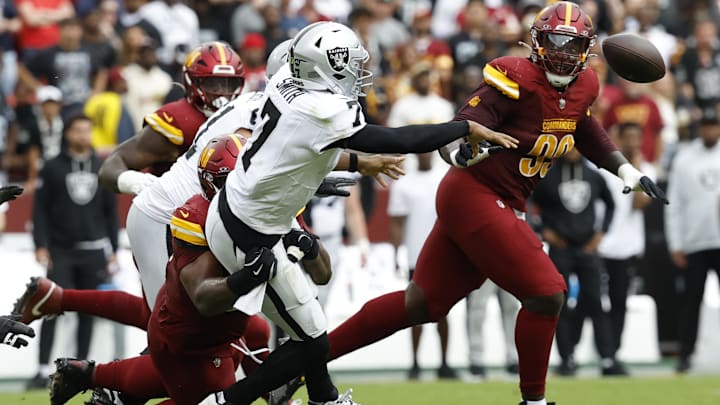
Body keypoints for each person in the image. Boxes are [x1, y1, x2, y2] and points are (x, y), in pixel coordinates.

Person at [323, 4, 665, 404]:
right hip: (475, 192)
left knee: (421, 303)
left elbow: (584, 128)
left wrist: (626, 171)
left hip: (498, 200)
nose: (562, 52)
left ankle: (304, 361)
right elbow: (460, 128)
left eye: (572, 45)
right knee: (548, 291)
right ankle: (533, 400)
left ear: (587, 50)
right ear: (536, 41)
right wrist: (459, 152)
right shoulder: (515, 75)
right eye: (555, 40)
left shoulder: (585, 85)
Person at [206, 21, 517, 405]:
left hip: (243, 211)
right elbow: (395, 139)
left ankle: (323, 398)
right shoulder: (321, 107)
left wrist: (356, 164)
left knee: (310, 332)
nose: (357, 71)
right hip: (251, 230)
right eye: (349, 62)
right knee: (314, 342)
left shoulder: (288, 79)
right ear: (326, 65)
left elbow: (299, 147)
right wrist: (462, 127)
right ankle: (227, 402)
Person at [47, 135, 280, 405]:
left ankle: (94, 376)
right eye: (239, 181)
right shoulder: (197, 217)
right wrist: (246, 278)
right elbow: (203, 297)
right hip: (188, 330)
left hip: (206, 325)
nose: (248, 188)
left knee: (255, 335)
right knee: (215, 393)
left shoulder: (249, 207)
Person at [27, 114, 118, 390]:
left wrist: (112, 248)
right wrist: (41, 245)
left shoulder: (102, 166)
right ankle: (42, 370)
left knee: (88, 311)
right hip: (61, 251)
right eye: (78, 130)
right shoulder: (52, 167)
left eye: (87, 131)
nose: (83, 136)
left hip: (93, 251)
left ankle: (79, 367)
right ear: (68, 134)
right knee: (52, 308)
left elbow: (110, 211)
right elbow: (39, 210)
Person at [532, 147, 626, 377]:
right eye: (569, 145)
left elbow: (612, 205)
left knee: (596, 303)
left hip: (587, 249)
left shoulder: (594, 175)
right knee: (559, 304)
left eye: (577, 145)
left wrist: (600, 234)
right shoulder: (548, 176)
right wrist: (544, 231)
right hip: (561, 248)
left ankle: (607, 358)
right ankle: (567, 359)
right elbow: (529, 203)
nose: (573, 150)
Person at [387, 151, 457, 380]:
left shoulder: (445, 176)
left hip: (443, 255)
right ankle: (415, 363)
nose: (426, 155)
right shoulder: (404, 183)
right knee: (415, 310)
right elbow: (397, 221)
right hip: (415, 256)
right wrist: (398, 252)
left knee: (443, 311)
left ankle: (444, 363)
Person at [665, 109, 720, 373]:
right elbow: (673, 204)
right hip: (694, 241)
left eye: (714, 126)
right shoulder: (684, 159)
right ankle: (685, 354)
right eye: (706, 126)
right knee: (690, 301)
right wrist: (676, 243)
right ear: (699, 129)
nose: (710, 131)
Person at [597, 122, 655, 364]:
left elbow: (639, 204)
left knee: (620, 301)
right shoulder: (602, 168)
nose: (632, 143)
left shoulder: (647, 169)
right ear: (617, 138)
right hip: (601, 245)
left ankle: (613, 353)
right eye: (627, 137)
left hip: (627, 246)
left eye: (636, 138)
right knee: (593, 302)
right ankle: (599, 351)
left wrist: (637, 167)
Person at [466, 281, 519, 378]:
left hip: (510, 267)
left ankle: (514, 360)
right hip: (484, 268)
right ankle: (476, 362)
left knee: (511, 306)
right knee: (478, 307)